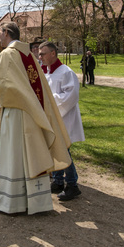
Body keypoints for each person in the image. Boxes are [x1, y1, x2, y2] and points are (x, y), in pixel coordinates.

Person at [0, 21, 72, 215]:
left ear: (7, 33)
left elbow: (2, 86)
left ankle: (12, 203)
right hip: (32, 114)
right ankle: (34, 202)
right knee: (30, 154)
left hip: (15, 113)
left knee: (14, 155)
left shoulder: (8, 54)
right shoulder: (30, 55)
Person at [39, 41, 85, 201]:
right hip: (51, 118)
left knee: (63, 150)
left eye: (42, 53)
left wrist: (48, 101)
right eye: (39, 54)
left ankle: (72, 184)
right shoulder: (46, 72)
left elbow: (70, 96)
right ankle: (58, 181)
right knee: (54, 148)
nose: (40, 57)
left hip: (64, 118)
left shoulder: (66, 72)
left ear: (53, 53)